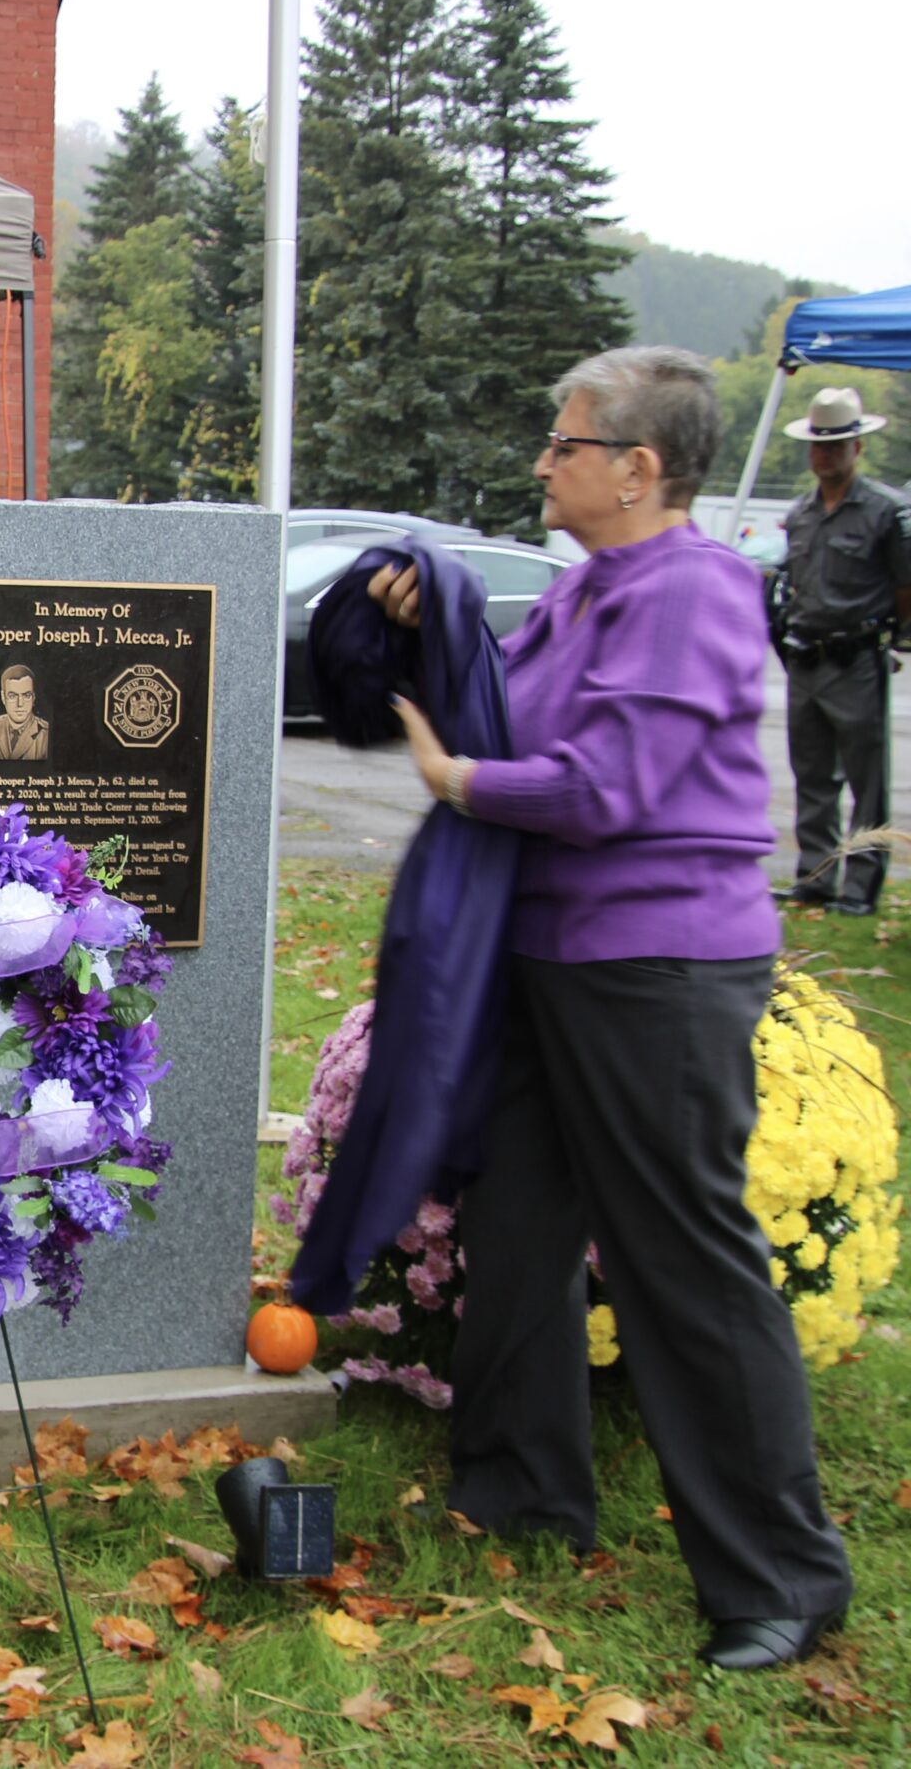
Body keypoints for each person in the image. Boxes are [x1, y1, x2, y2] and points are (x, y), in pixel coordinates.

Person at [380, 346, 852, 1671]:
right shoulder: (593, 590)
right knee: (518, 1223)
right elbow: (518, 710)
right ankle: (521, 1490)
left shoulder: (695, 589)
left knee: (681, 1264)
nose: (544, 459)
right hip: (554, 956)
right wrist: (436, 632)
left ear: (642, 469)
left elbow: (604, 785)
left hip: (657, 969)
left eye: (567, 443)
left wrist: (464, 783)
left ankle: (783, 1577)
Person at [769, 386, 911, 914]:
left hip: (856, 661)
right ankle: (816, 877)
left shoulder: (885, 511)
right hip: (807, 658)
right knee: (812, 778)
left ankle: (859, 891)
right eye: (818, 445)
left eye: (837, 444)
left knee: (866, 782)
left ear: (858, 448)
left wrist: (883, 634)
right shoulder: (801, 512)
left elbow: (905, 586)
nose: (825, 454)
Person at [0, 664, 48, 760]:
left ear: (33, 697)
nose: (20, 704)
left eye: (27, 695)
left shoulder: (46, 735)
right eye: (12, 696)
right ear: (3, 697)